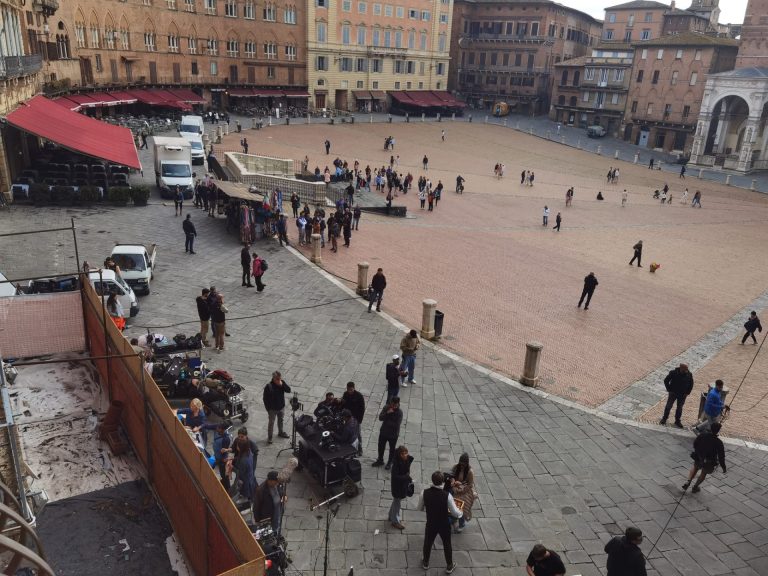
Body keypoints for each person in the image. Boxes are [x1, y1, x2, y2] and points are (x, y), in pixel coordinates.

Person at [419, 471, 461, 573]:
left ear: (432, 480)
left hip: (431, 523)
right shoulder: (447, 496)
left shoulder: (424, 493)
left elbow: (419, 508)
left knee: (428, 543)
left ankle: (425, 563)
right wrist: (461, 513)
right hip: (443, 524)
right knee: (447, 544)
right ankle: (449, 566)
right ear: (442, 482)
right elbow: (455, 513)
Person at [683, 422, 726, 493]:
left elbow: (695, 444)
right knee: (703, 473)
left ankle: (688, 481)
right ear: (718, 431)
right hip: (709, 461)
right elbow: (721, 456)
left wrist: (698, 452)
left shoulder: (702, 435)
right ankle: (695, 487)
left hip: (699, 457)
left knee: (695, 468)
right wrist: (723, 467)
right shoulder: (719, 442)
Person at [659, 363, 694, 428]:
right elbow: (666, 380)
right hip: (673, 393)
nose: (687, 370)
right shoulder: (673, 373)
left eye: (687, 368)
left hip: (682, 395)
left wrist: (687, 393)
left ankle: (677, 421)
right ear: (681, 368)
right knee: (668, 406)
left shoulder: (689, 374)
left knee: (679, 408)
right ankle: (664, 418)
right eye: (685, 369)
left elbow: (691, 384)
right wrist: (669, 389)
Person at [372, 397, 403, 469]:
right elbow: (380, 418)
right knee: (381, 446)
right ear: (391, 402)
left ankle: (390, 462)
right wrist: (387, 413)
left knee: (392, 449)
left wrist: (387, 420)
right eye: (393, 404)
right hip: (384, 432)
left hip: (393, 434)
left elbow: (396, 425)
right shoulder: (386, 407)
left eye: (396, 405)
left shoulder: (399, 412)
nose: (394, 406)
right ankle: (380, 460)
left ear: (398, 404)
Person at [449, 453, 476, 533]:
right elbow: (450, 476)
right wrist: (453, 481)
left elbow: (470, 485)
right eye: (461, 464)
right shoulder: (455, 467)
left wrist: (461, 489)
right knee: (450, 503)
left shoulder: (470, 472)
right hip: (454, 488)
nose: (462, 466)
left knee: (461, 506)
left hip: (464, 490)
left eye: (463, 465)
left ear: (467, 464)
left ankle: (462, 523)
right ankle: (453, 518)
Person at [389, 446, 413, 530]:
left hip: (402, 486)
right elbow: (395, 477)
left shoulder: (406, 460)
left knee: (396, 501)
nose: (405, 455)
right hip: (397, 487)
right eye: (403, 454)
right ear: (399, 455)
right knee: (397, 503)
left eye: (406, 453)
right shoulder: (396, 464)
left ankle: (391, 516)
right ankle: (395, 521)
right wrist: (406, 477)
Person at [263, 371, 291, 443]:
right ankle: (270, 437)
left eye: (280, 379)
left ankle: (281, 432)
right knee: (271, 423)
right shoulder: (269, 386)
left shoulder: (282, 383)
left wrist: (282, 385)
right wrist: (268, 409)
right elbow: (265, 399)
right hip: (272, 409)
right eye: (277, 379)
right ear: (273, 378)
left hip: (281, 407)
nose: (279, 380)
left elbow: (289, 390)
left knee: (281, 420)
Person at [341, 381, 365, 454]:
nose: (349, 391)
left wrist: (359, 420)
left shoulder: (359, 396)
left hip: (356, 418)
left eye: (351, 389)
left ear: (354, 388)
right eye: (348, 389)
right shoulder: (345, 394)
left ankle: (360, 449)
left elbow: (362, 409)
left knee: (358, 434)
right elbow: (344, 404)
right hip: (347, 417)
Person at [212, 420, 233, 491]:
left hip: (222, 460)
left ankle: (227, 490)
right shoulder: (220, 432)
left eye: (219, 428)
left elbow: (224, 452)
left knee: (224, 476)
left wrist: (221, 460)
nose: (217, 429)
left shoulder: (226, 439)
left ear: (223, 429)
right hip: (219, 459)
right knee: (223, 475)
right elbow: (207, 425)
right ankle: (225, 486)